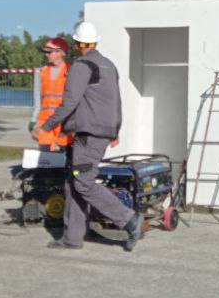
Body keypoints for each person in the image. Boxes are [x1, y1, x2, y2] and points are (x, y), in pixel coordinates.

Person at [39, 21, 142, 252]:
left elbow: (70, 102)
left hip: (89, 134)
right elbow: (117, 101)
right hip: (101, 132)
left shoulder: (81, 65)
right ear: (94, 42)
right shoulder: (108, 65)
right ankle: (72, 237)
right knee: (73, 183)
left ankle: (128, 219)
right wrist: (115, 130)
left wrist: (47, 126)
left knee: (83, 183)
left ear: (77, 43)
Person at [30, 37, 72, 153]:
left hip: (64, 124)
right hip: (44, 125)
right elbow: (37, 100)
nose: (46, 55)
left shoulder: (71, 71)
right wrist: (34, 122)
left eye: (49, 52)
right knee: (46, 164)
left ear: (60, 52)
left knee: (65, 164)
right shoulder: (41, 72)